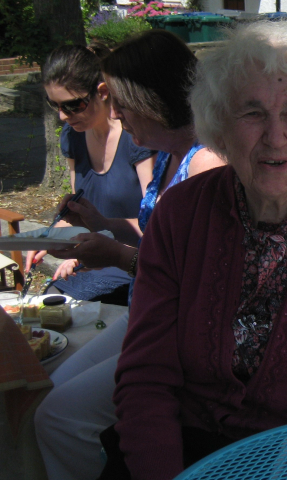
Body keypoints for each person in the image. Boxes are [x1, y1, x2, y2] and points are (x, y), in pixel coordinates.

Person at [102, 22, 287, 480]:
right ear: (220, 126)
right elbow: (146, 377)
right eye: (253, 113)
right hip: (180, 451)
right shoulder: (180, 215)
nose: (276, 136)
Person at [34, 30, 224, 480]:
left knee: (58, 418)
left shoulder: (206, 165)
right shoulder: (167, 156)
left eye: (120, 100)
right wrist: (100, 223)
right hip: (147, 315)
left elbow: (195, 282)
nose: (114, 112)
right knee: (49, 389)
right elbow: (153, 230)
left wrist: (116, 256)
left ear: (152, 97)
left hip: (176, 333)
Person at [27, 43, 155, 304]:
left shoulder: (135, 137)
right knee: (47, 307)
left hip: (133, 260)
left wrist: (96, 240)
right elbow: (78, 213)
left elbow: (157, 224)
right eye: (55, 105)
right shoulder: (73, 137)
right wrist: (52, 237)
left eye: (73, 105)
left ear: (103, 92)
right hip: (94, 258)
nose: (63, 116)